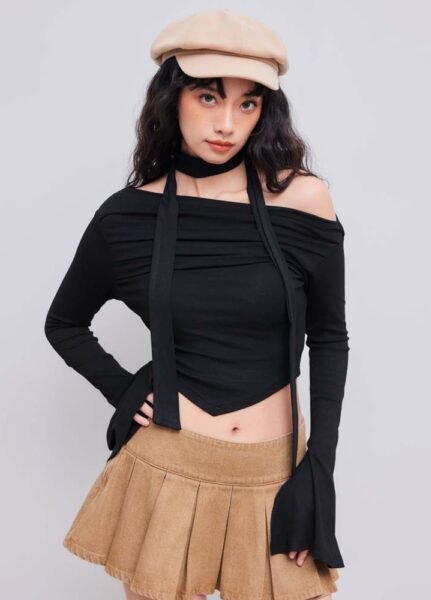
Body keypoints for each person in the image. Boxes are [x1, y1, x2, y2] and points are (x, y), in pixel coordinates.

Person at [44, 9, 350, 600]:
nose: (227, 124)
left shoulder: (303, 200)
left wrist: (319, 472)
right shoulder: (127, 216)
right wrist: (123, 388)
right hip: (167, 466)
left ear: (265, 111)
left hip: (274, 470)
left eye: (247, 103)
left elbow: (330, 338)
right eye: (208, 97)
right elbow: (64, 323)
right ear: (172, 97)